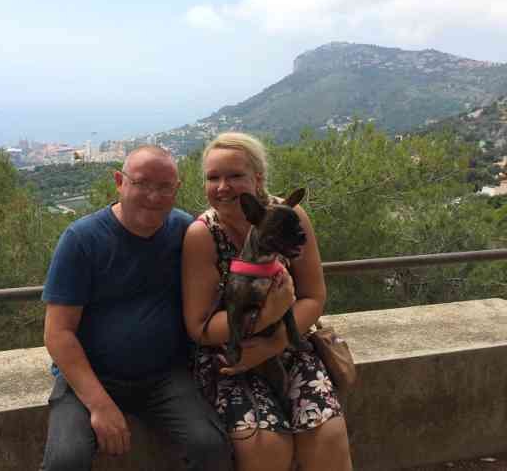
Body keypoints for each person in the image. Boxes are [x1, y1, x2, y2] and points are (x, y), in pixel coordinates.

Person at [41, 145, 232, 471]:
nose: (153, 196)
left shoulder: (186, 232)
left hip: (164, 377)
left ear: (177, 189)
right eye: (142, 183)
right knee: (66, 462)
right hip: (91, 376)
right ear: (119, 181)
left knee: (212, 447)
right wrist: (100, 405)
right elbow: (58, 333)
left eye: (164, 187)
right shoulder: (82, 240)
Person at [182, 133, 353, 471]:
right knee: (265, 446)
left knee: (327, 435)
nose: (222, 187)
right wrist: (268, 316)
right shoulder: (203, 235)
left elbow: (313, 296)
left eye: (235, 176)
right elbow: (199, 327)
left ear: (257, 178)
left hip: (290, 345)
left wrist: (272, 344)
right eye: (213, 177)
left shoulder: (291, 216)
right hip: (230, 356)